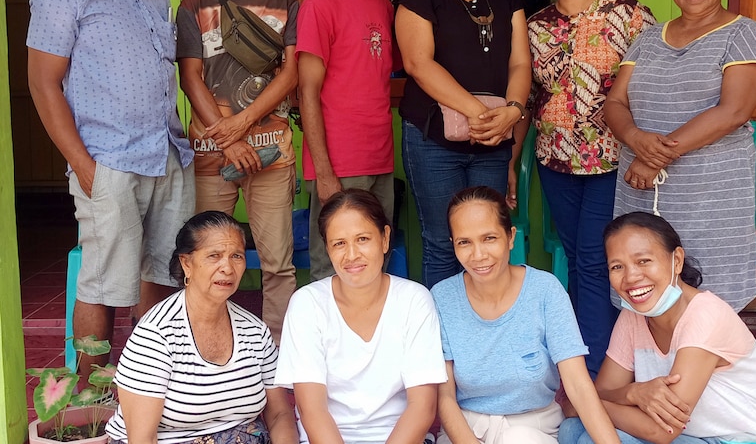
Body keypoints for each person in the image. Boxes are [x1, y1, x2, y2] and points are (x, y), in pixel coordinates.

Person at [27, 0, 195, 378]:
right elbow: (43, 84)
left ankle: (151, 381)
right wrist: (84, 166)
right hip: (108, 160)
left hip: (166, 155)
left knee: (164, 271)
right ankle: (93, 391)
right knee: (103, 281)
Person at [605, 0, 756, 311]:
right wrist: (634, 137)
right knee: (642, 280)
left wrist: (653, 158)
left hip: (708, 194)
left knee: (708, 295)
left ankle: (703, 369)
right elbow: (615, 100)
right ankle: (652, 368)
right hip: (640, 186)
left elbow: (733, 111)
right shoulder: (648, 39)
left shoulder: (744, 33)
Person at [526, 0, 655, 378]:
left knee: (596, 257)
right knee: (580, 259)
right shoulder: (534, 26)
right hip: (555, 159)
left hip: (613, 160)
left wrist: (646, 149)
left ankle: (599, 369)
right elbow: (528, 96)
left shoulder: (629, 15)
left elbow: (652, 85)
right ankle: (590, 353)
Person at [177, 0, 299, 344]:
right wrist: (229, 141)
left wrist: (245, 121)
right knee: (207, 261)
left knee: (277, 264)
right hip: (212, 153)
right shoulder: (194, 4)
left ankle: (278, 363)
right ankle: (208, 354)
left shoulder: (286, 3)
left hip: (271, 150)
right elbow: (191, 78)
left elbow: (289, 74)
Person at [558, 212, 756, 444]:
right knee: (572, 430)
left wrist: (585, 406)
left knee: (591, 434)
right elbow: (603, 391)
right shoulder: (633, 316)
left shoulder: (706, 315)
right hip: (689, 437)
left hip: (738, 440)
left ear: (676, 260)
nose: (631, 277)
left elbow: (661, 431)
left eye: (643, 261)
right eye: (617, 267)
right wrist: (633, 392)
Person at [396, 0, 532, 288]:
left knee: (488, 242)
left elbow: (520, 64)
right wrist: (481, 113)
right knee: (442, 241)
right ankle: (443, 342)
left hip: (493, 141)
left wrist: (514, 110)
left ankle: (485, 329)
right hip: (432, 139)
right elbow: (417, 63)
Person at [432, 186, 620, 444]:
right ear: (453, 244)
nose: (478, 255)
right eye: (465, 242)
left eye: (489, 238)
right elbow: (444, 396)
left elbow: (577, 384)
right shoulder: (442, 297)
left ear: (510, 237)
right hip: (465, 430)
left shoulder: (545, 290)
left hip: (534, 429)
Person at [104, 211, 299, 444]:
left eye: (236, 256)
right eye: (214, 256)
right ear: (187, 263)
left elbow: (279, 414)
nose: (227, 268)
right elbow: (142, 438)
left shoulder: (255, 331)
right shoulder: (156, 334)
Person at [276, 189, 446, 443]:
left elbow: (422, 407)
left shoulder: (414, 300)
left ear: (385, 238)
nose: (352, 254)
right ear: (328, 249)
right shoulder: (307, 304)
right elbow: (312, 409)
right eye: (339, 243)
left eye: (363, 239)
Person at [297, 0, 398, 281]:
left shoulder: (383, 5)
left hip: (380, 157)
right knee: (334, 265)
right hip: (338, 161)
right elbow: (307, 91)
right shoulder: (321, 4)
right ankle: (328, 341)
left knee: (374, 258)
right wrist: (323, 171)